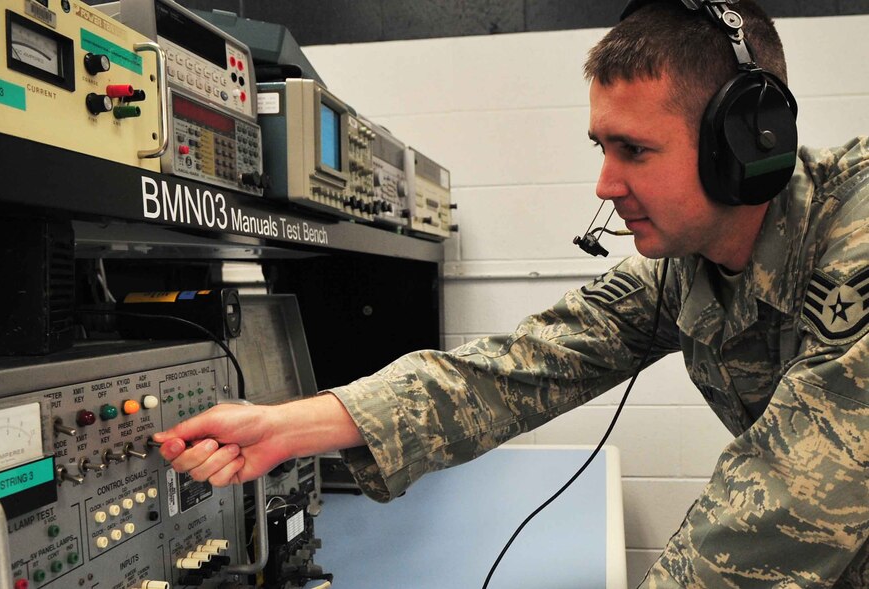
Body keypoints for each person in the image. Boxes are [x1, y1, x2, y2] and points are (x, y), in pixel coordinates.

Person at [154, 0, 869, 585]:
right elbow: (526, 362)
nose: (606, 185)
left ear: (746, 143)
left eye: (636, 150)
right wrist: (293, 424)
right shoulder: (689, 261)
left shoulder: (856, 234)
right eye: (603, 147)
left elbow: (779, 506)